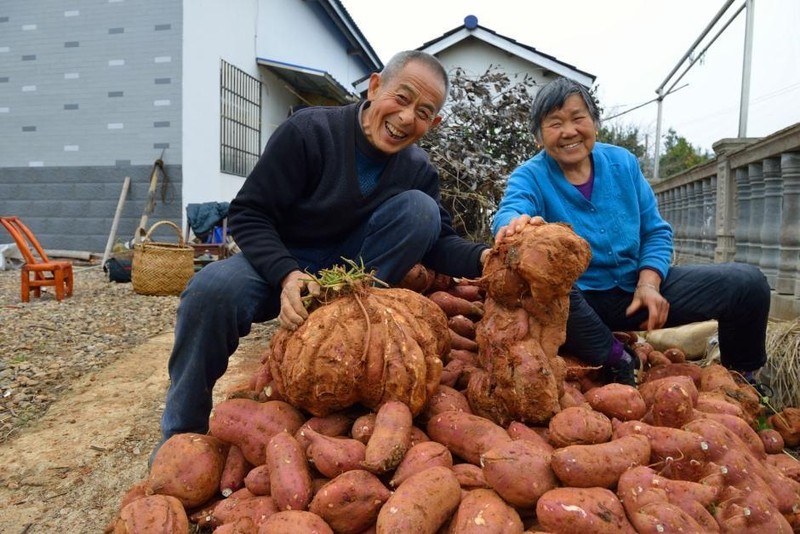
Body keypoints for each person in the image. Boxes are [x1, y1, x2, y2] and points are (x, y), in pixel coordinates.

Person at [156, 50, 490, 448]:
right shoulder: (309, 132)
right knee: (209, 292)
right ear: (375, 85)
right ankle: (182, 433)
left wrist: (487, 257)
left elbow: (437, 244)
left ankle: (350, 346)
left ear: (432, 123)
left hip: (355, 277)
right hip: (284, 260)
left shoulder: (418, 170)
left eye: (423, 111)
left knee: (421, 210)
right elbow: (249, 213)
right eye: (401, 98)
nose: (405, 118)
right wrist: (285, 273)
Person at [492, 76, 770, 386]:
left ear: (595, 123)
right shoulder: (530, 175)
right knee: (548, 281)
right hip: (576, 308)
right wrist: (513, 224)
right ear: (538, 138)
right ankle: (616, 357)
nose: (569, 132)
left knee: (747, 284)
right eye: (555, 123)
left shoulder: (622, 163)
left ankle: (742, 379)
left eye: (578, 118)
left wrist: (649, 283)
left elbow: (656, 232)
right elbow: (511, 210)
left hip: (635, 293)